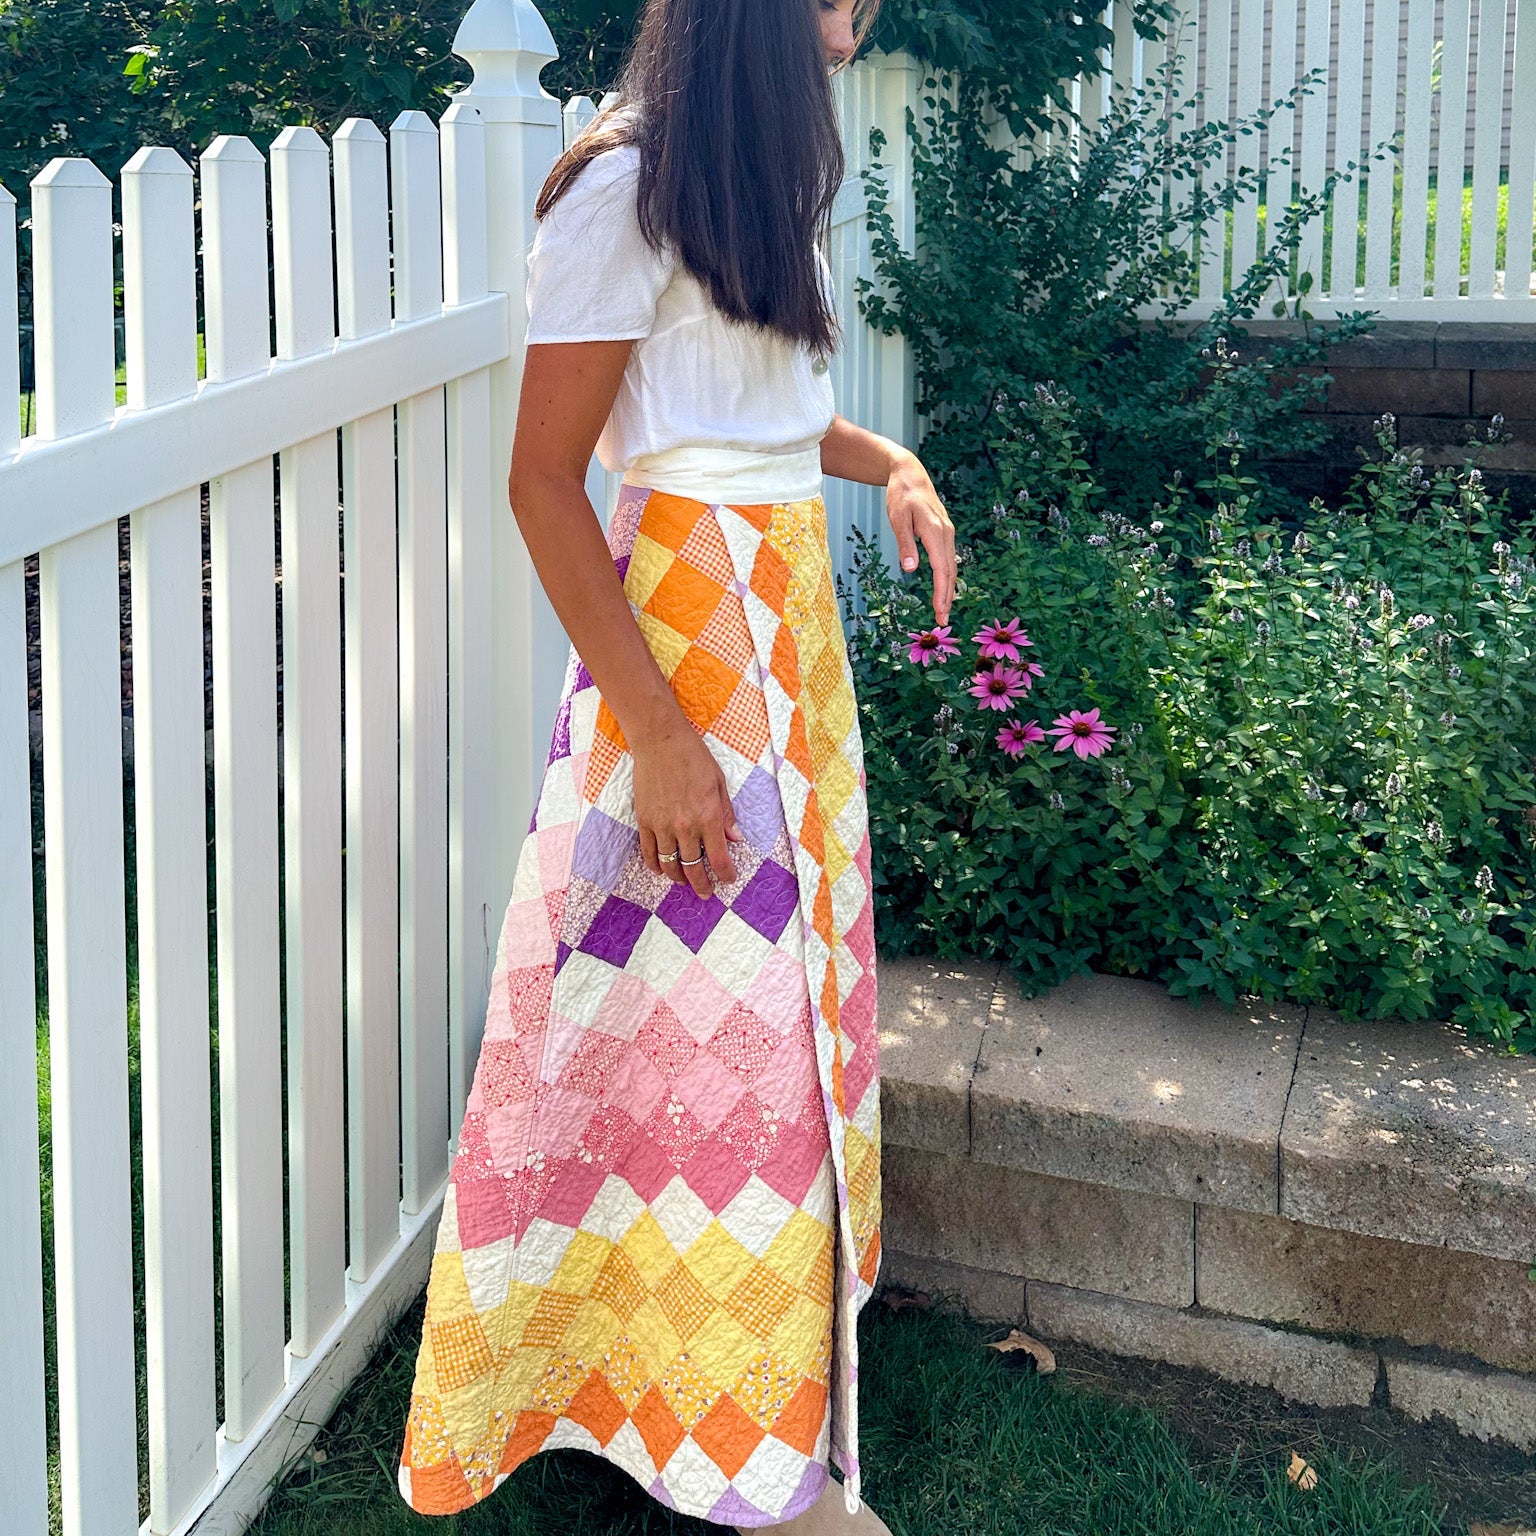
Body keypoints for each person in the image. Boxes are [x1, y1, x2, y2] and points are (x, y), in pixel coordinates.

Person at [396, 0, 954, 1529]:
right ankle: (768, 1475)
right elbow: (543, 479)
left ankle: (729, 1393)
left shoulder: (751, 176)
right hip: (692, 672)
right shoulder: (620, 186)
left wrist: (885, 459)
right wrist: (659, 737)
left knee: (746, 1041)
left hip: (794, 662)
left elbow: (760, 409)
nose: (861, 10)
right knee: (726, 1049)